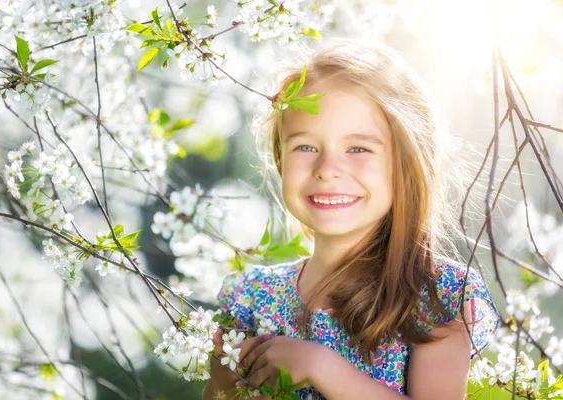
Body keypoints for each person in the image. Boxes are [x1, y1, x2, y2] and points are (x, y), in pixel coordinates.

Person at [203, 38, 499, 400]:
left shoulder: (437, 298)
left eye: (358, 148)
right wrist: (222, 387)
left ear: (406, 163)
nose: (327, 170)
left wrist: (320, 366)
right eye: (305, 147)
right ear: (280, 159)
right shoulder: (250, 298)